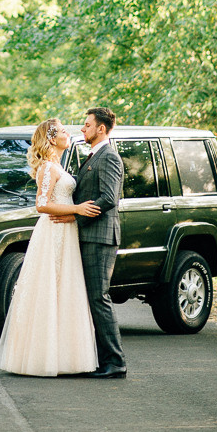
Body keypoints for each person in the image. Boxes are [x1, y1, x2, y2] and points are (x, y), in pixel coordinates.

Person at [0, 118, 100, 377]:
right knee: (49, 288)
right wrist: (76, 208)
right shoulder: (48, 168)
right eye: (64, 131)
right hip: (52, 232)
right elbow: (41, 205)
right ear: (52, 139)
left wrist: (74, 214)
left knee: (66, 289)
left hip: (66, 228)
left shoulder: (59, 166)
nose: (69, 133)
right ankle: (43, 357)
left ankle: (65, 358)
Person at [68, 106, 127, 379]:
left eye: (87, 124)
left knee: (98, 298)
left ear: (101, 128)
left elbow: (109, 197)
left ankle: (115, 362)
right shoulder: (93, 156)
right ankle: (98, 359)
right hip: (88, 236)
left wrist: (77, 216)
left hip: (100, 237)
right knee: (91, 299)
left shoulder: (109, 156)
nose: (82, 129)